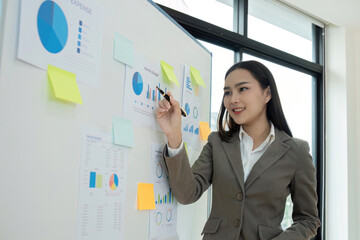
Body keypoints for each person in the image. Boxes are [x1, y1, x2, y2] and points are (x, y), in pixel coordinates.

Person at [156, 60, 320, 240]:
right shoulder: (217, 142)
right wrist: (174, 136)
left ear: (267, 93)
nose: (233, 99)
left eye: (242, 89)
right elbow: (186, 194)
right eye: (227, 92)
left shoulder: (296, 151)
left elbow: (308, 220)